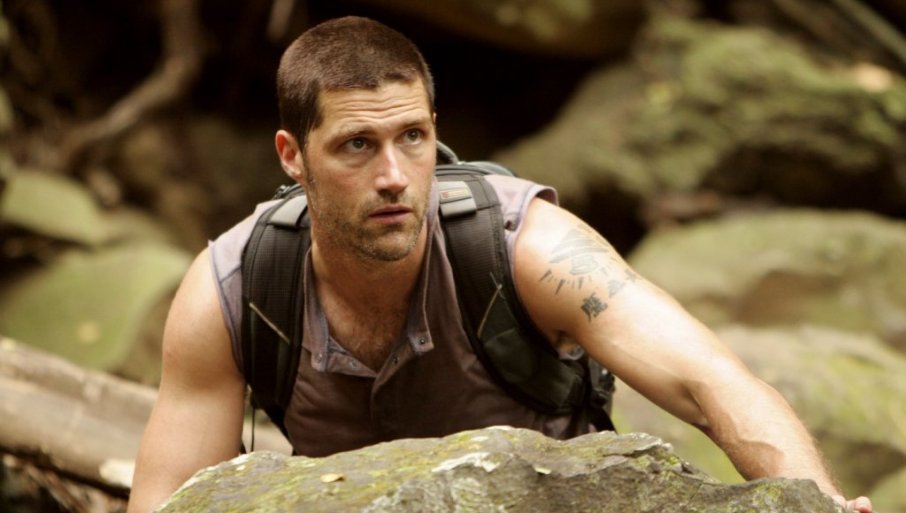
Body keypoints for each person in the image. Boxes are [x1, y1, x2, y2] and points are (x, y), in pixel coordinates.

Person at [127, 15, 872, 513]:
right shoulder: (237, 288)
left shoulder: (525, 247)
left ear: (435, 130)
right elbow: (167, 499)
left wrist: (819, 503)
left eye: (412, 137)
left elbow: (709, 379)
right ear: (292, 156)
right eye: (357, 145)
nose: (394, 176)